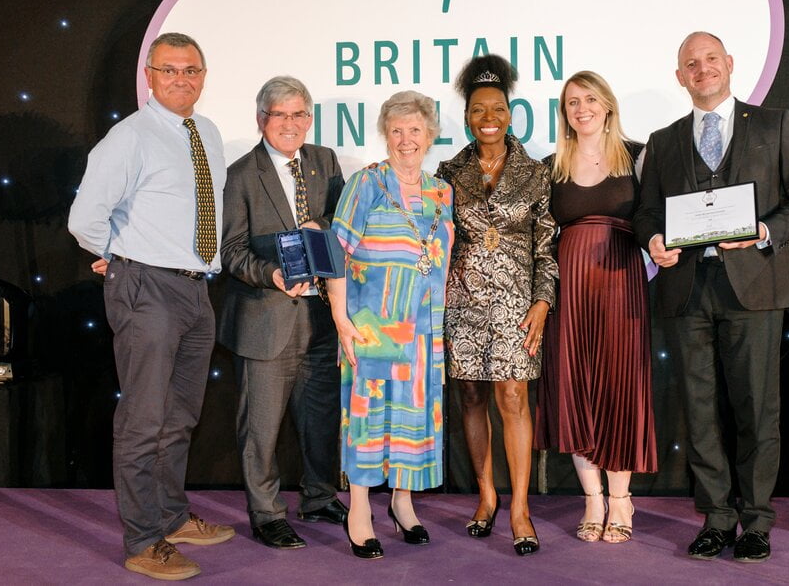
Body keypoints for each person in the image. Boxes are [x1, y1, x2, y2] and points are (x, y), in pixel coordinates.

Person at [633, 31, 789, 563]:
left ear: (730, 63)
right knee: (698, 412)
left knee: (757, 410)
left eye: (710, 59)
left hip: (755, 287)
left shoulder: (774, 124)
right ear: (680, 77)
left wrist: (764, 229)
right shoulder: (664, 140)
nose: (702, 69)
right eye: (690, 64)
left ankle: (758, 521)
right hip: (688, 291)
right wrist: (652, 240)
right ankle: (716, 518)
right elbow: (647, 213)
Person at [68, 32, 234, 581]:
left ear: (203, 77)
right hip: (148, 291)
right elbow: (84, 218)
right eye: (169, 71)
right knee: (143, 419)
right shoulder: (130, 137)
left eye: (191, 71)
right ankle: (143, 540)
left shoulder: (204, 131)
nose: (181, 80)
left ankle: (170, 517)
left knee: (180, 416)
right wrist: (119, 258)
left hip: (195, 289)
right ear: (150, 76)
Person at [218, 76, 348, 551]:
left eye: (299, 115)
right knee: (261, 427)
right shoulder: (239, 174)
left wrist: (325, 226)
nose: (290, 124)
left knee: (320, 419)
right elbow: (228, 250)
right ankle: (266, 513)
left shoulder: (324, 161)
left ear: (309, 119)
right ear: (261, 120)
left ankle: (318, 496)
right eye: (280, 115)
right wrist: (270, 273)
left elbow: (345, 224)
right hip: (266, 317)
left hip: (322, 316)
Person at [436, 54, 558, 556]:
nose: (489, 117)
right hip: (461, 301)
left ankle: (521, 507)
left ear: (511, 114)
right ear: (467, 116)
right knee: (469, 397)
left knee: (512, 398)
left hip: (516, 303)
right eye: (479, 109)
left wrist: (543, 303)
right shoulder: (448, 171)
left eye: (498, 108)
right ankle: (486, 495)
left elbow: (547, 247)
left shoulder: (535, 173)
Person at [328, 90, 454, 559]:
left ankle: (403, 504)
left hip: (425, 329)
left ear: (430, 136)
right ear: (385, 135)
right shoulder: (366, 183)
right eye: (397, 130)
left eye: (415, 130)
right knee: (366, 419)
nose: (406, 140)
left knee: (414, 417)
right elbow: (336, 251)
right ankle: (358, 508)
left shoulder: (443, 192)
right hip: (372, 323)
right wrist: (341, 318)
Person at [535, 71, 657, 544]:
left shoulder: (640, 156)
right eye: (571, 103)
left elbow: (658, 219)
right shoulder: (552, 166)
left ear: (607, 104)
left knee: (619, 387)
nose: (581, 108)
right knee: (575, 387)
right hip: (569, 293)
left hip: (622, 287)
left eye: (589, 99)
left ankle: (622, 500)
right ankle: (592, 499)